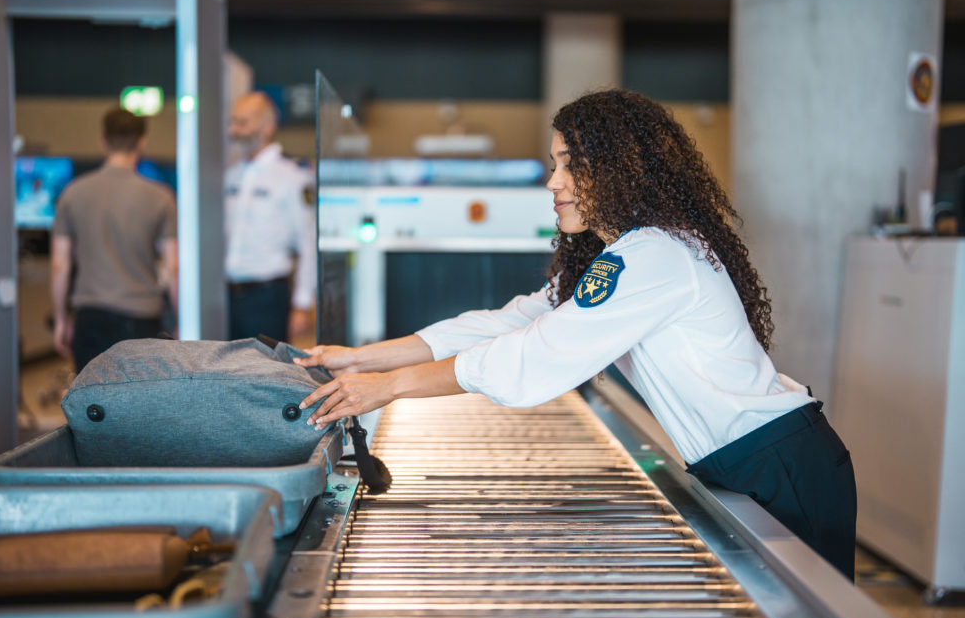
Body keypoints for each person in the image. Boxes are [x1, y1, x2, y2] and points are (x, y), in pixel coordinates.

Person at [295, 89, 857, 581]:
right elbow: (505, 322)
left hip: (779, 462)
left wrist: (390, 387)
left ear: (621, 169)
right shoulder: (624, 252)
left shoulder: (654, 254)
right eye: (554, 163)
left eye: (571, 164)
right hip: (751, 459)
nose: (553, 181)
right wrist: (360, 359)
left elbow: (535, 356)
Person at [51, 107, 177, 373]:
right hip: (142, 317)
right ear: (141, 142)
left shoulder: (72, 193)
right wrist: (179, 318)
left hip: (90, 315)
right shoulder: (160, 197)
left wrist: (61, 320)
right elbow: (173, 267)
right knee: (140, 405)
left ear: (103, 141)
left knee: (91, 407)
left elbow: (59, 265)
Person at [225, 91, 316, 343]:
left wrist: (302, 305)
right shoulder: (230, 175)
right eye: (231, 122)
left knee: (265, 375)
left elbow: (308, 244)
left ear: (267, 127)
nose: (234, 130)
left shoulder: (292, 177)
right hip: (226, 297)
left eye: (242, 123)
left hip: (267, 298)